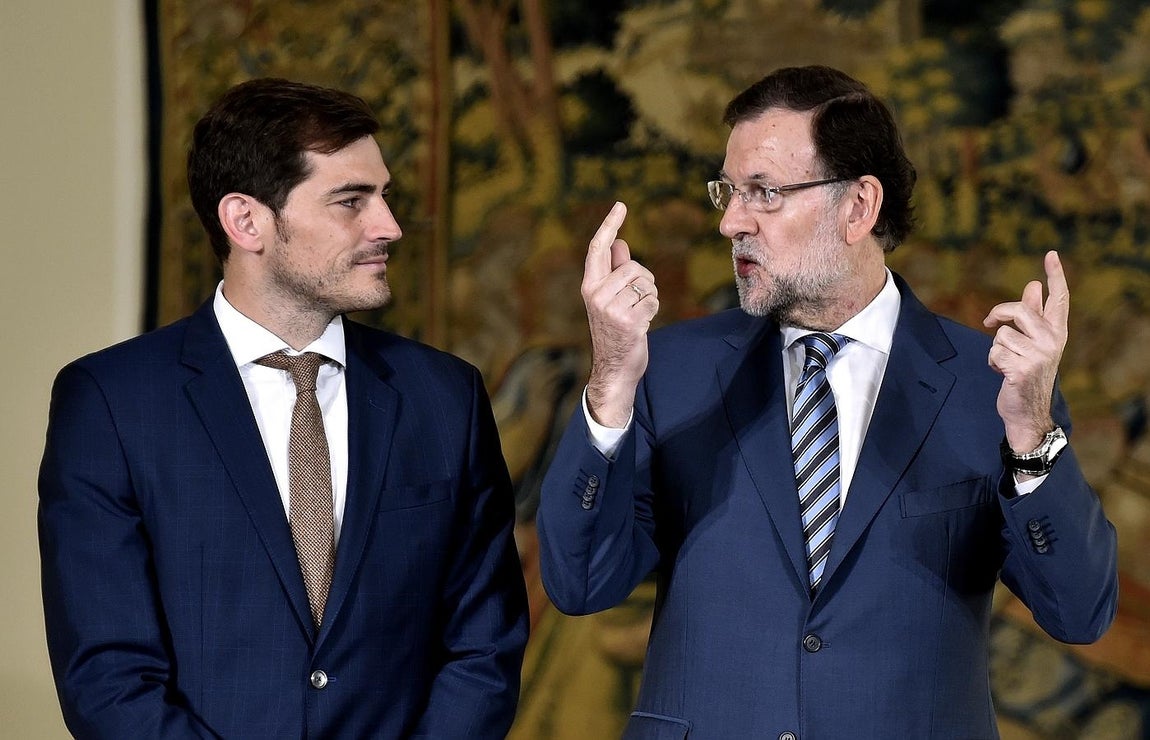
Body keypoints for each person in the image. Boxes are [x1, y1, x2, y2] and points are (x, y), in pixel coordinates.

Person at [537, 65, 1118, 738]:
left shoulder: (989, 386)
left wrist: (1031, 441)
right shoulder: (667, 372)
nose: (730, 221)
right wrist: (609, 384)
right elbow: (579, 584)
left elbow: (1080, 613)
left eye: (764, 193)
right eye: (728, 189)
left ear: (859, 208)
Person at [39, 78, 528, 739]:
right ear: (246, 221)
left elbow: (484, 645)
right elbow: (107, 674)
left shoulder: (446, 398)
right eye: (351, 202)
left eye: (384, 196)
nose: (390, 226)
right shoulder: (111, 403)